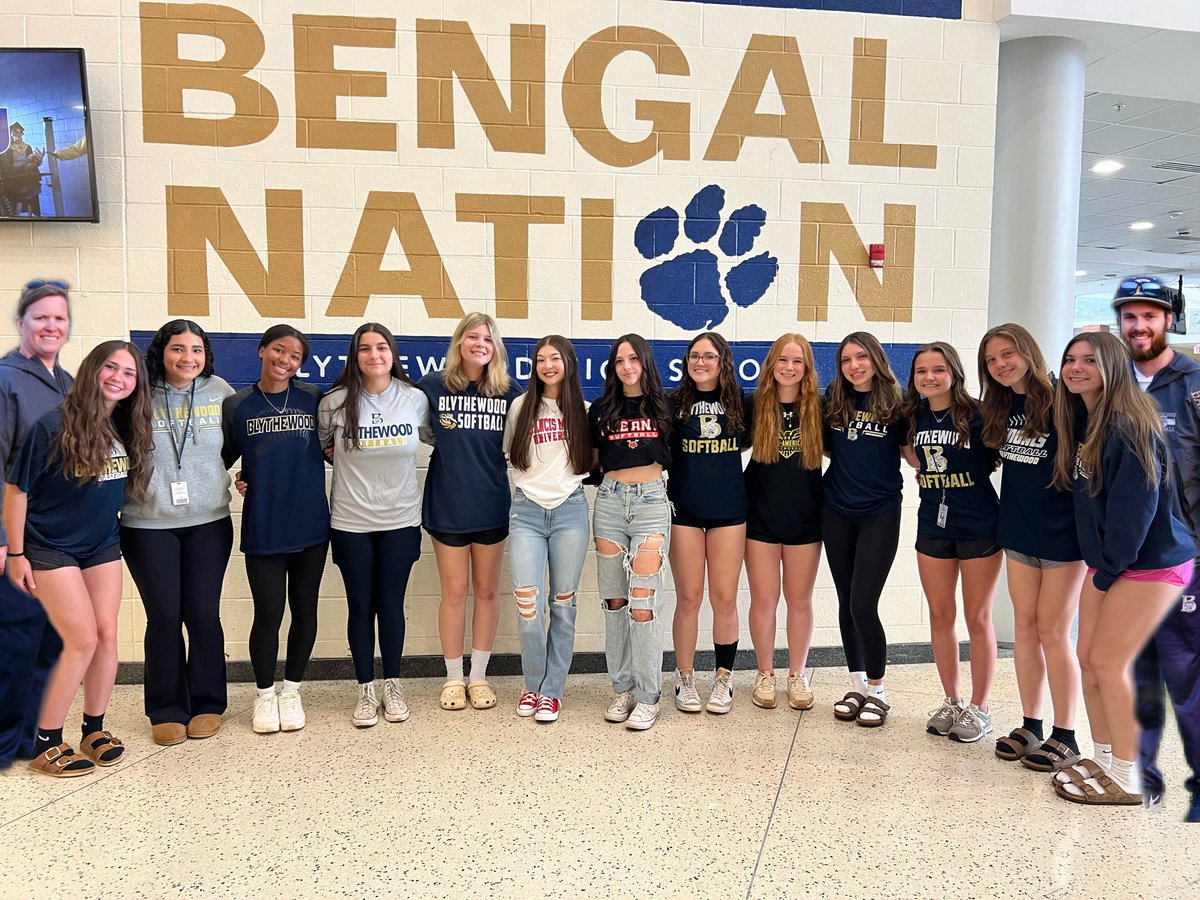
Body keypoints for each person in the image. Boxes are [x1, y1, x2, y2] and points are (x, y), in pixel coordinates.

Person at [1051, 331, 1194, 806]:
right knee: (1088, 661)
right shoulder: (1088, 422)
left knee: (1111, 663)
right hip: (1111, 563)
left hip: (1149, 565)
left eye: (1089, 361)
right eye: (1071, 360)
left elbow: (1137, 513)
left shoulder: (1129, 425)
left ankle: (1131, 777)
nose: (1076, 368)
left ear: (1111, 367)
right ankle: (1105, 758)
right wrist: (1104, 567)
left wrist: (1109, 570)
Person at [4, 341, 151, 776]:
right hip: (49, 545)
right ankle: (44, 741)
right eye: (111, 367)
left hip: (101, 544)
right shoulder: (52, 424)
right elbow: (15, 492)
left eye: (129, 373)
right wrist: (15, 553)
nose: (119, 378)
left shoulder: (123, 425)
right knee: (81, 638)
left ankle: (94, 727)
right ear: (92, 369)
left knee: (107, 634)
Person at [120, 321, 234, 746]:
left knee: (203, 614)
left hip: (209, 521)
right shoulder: (138, 392)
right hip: (147, 524)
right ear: (160, 352)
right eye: (178, 349)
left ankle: (207, 704)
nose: (188, 358)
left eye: (197, 350)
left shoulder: (218, 391)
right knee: (165, 617)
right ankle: (166, 708)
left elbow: (232, 446)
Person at [979, 325, 1086, 771]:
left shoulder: (1066, 399)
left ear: (1028, 351)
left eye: (1008, 354)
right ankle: (1032, 724)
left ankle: (1067, 734)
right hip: (1018, 533)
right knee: (1024, 627)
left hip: (1063, 536)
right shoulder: (1001, 407)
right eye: (991, 360)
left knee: (1053, 631)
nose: (1001, 364)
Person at [1114, 278, 1200, 820]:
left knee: (1186, 667)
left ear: (1168, 320)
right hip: (1126, 558)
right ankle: (1138, 775)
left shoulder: (1193, 384)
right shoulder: (1110, 381)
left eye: (1150, 315)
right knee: (1133, 669)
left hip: (1184, 555)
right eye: (1130, 316)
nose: (1139, 326)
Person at [321, 323, 430, 727]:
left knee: (390, 604)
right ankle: (366, 689)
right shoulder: (334, 403)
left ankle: (393, 684)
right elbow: (318, 449)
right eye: (364, 349)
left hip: (401, 519)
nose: (374, 355)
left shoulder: (414, 399)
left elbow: (441, 440)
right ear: (355, 356)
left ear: (392, 353)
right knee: (360, 606)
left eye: (381, 347)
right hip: (350, 522)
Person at [223, 325, 329, 734]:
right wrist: (239, 480)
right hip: (265, 526)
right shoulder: (238, 405)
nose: (285, 360)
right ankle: (265, 695)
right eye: (279, 351)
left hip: (311, 526)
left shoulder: (313, 399)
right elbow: (227, 458)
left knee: (306, 612)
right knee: (268, 613)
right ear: (262, 350)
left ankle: (292, 690)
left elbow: (335, 449)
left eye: (295, 356)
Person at [418, 313, 520, 712]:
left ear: (496, 348)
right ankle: (453, 678)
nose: (480, 343)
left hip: (491, 504)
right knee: (455, 592)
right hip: (447, 505)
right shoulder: (431, 388)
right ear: (460, 341)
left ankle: (478, 676)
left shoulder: (510, 393)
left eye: (488, 339)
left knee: (489, 591)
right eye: (473, 336)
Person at [902, 341, 1002, 743]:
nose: (929, 377)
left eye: (938, 369)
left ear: (954, 372)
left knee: (978, 618)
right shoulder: (913, 416)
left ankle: (981, 708)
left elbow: (998, 455)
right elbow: (912, 457)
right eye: (921, 370)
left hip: (979, 525)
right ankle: (952, 700)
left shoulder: (979, 415)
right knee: (941, 616)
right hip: (933, 526)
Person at [0, 280, 73, 771]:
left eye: (60, 318)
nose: (51, 326)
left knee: (51, 638)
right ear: (22, 322)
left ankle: (34, 740)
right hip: (16, 540)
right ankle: (7, 744)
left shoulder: (66, 383)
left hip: (53, 539)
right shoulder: (6, 379)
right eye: (41, 317)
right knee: (17, 641)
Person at [504, 336, 593, 723]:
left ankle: (552, 691)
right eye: (540, 359)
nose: (548, 365)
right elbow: (511, 454)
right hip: (526, 512)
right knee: (528, 604)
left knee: (562, 604)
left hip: (570, 511)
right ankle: (532, 684)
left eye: (555, 358)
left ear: (568, 363)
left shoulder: (585, 411)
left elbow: (592, 461)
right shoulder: (521, 407)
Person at [822, 332, 906, 727]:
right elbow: (826, 448)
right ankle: (856, 684)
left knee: (863, 603)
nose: (854, 365)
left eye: (861, 357)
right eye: (846, 360)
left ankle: (878, 690)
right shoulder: (834, 401)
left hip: (880, 513)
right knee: (844, 600)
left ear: (875, 358)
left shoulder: (898, 402)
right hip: (836, 510)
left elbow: (912, 452)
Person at [590, 334, 672, 731]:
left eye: (633, 358)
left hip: (651, 502)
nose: (627, 366)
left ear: (644, 363)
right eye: (620, 360)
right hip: (609, 502)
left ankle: (649, 695)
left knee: (643, 601)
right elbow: (592, 461)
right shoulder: (601, 409)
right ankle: (622, 688)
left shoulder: (664, 406)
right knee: (615, 602)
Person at [667, 332, 752, 715]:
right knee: (688, 598)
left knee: (724, 598)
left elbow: (749, 442)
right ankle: (685, 678)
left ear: (723, 361)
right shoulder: (673, 403)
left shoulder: (741, 404)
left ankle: (723, 678)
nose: (700, 362)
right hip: (684, 512)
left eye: (709, 356)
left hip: (729, 513)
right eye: (694, 356)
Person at [744, 334, 824, 713]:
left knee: (799, 600)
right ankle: (766, 673)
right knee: (764, 599)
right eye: (783, 360)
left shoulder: (819, 409)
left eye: (798, 361)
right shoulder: (754, 405)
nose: (789, 368)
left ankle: (797, 674)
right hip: (759, 517)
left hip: (806, 519)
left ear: (806, 368)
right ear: (772, 364)